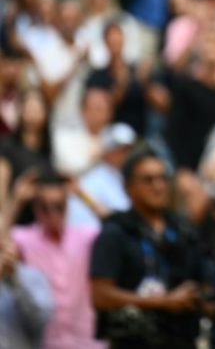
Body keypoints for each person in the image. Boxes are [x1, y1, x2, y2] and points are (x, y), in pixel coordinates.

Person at [89, 147, 204, 349]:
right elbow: (100, 295)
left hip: (181, 339)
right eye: (148, 180)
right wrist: (164, 302)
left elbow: (200, 280)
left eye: (162, 178)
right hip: (133, 341)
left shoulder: (184, 230)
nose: (158, 186)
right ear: (127, 187)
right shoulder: (115, 232)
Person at [11, 175, 103, 349]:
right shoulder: (24, 237)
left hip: (87, 340)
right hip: (46, 342)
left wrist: (82, 194)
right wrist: (16, 201)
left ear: (67, 206)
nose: (52, 213)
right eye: (45, 207)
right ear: (36, 208)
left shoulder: (84, 236)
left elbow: (117, 227)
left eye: (59, 206)